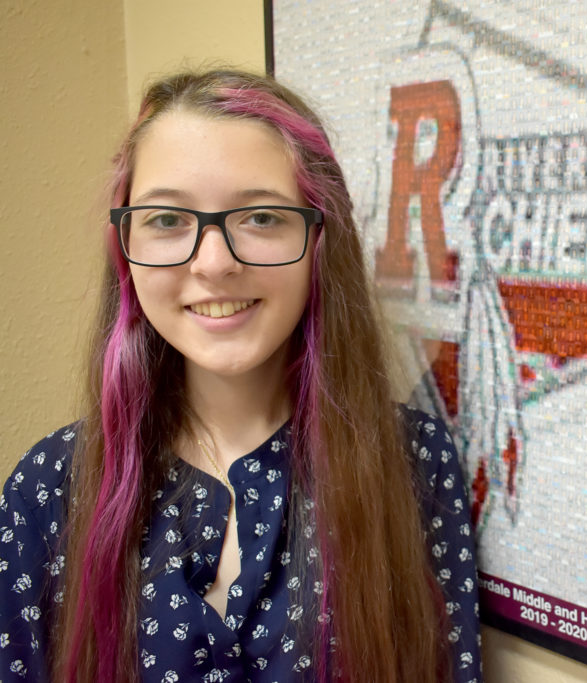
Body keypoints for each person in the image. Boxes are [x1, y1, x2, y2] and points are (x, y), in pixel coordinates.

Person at [0, 70, 481, 682]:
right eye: (168, 220)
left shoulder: (414, 463)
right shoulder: (50, 489)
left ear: (319, 239)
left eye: (260, 217)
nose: (215, 264)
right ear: (125, 248)